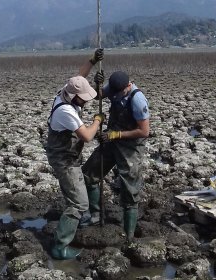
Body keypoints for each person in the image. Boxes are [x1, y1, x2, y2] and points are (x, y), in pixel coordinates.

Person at [46, 48, 105, 260]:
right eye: (83, 98)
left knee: (75, 198)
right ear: (74, 98)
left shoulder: (66, 91)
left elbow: (80, 77)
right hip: (64, 161)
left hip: (66, 156)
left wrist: (92, 60)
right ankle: (60, 246)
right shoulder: (66, 111)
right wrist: (98, 120)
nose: (86, 101)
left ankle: (78, 219)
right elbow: (87, 136)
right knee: (79, 203)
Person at [81, 70, 150, 243]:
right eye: (114, 92)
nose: (116, 95)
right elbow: (98, 96)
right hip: (111, 141)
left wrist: (116, 135)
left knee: (129, 191)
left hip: (130, 147)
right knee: (89, 174)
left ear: (128, 85)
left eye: (120, 92)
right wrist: (96, 84)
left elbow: (144, 131)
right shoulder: (113, 87)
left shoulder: (137, 99)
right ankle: (95, 215)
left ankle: (129, 236)